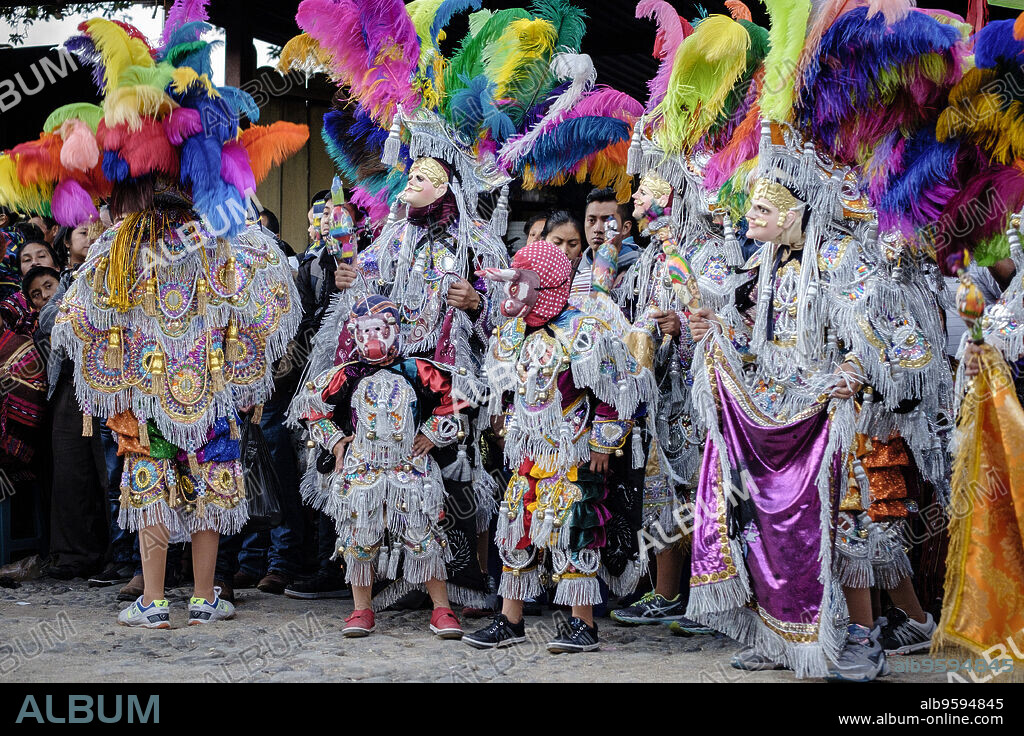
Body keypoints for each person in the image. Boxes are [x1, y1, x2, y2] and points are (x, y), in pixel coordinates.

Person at [0, 16, 308, 627]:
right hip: (212, 398)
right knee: (207, 495)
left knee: (151, 492)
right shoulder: (223, 239)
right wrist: (241, 372)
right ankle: (202, 598)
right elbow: (272, 304)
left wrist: (109, 382)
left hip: (146, 397)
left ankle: (153, 600)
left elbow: (72, 322)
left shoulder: (115, 250)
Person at [463, 239, 654, 652]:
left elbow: (614, 391)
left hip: (574, 450)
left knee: (573, 529)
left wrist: (604, 442)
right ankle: (510, 619)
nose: (512, 293)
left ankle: (582, 625)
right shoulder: (512, 332)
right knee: (517, 524)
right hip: (529, 450)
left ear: (546, 285)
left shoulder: (583, 329)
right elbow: (508, 391)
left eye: (521, 283)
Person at [292, 295, 469, 638]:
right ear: (355, 333)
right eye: (364, 329)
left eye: (379, 328)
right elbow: (313, 407)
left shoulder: (417, 369)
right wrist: (335, 440)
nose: (372, 335)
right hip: (363, 467)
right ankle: (362, 609)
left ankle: (442, 609)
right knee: (359, 536)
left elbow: (458, 396)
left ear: (394, 331)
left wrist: (433, 433)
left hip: (410, 464)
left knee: (424, 535)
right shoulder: (346, 374)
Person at [571, 188, 638, 298]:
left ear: (625, 228)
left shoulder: (641, 270)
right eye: (591, 220)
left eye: (607, 221)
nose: (597, 229)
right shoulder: (572, 270)